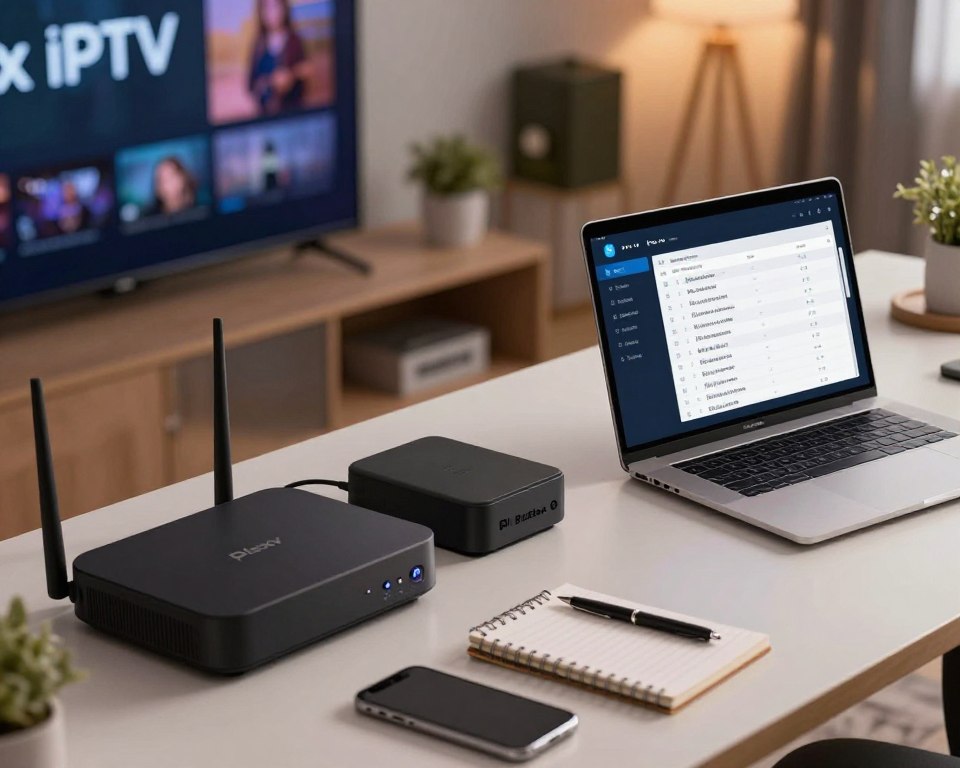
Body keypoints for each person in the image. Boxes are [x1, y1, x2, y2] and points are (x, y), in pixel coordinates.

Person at [247, 0, 309, 115]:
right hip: (265, 117)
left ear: (284, 8)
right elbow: (251, 84)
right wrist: (271, 82)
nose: (272, 13)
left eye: (276, 6)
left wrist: (291, 76)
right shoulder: (258, 45)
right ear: (261, 12)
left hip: (292, 114)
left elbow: (306, 69)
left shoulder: (294, 41)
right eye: (267, 8)